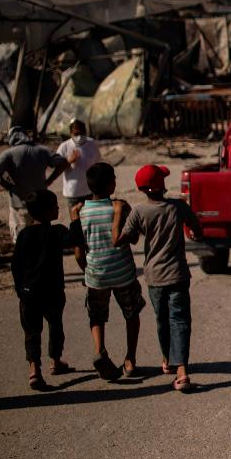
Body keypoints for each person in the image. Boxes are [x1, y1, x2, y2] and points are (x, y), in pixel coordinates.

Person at [117, 164, 202, 392]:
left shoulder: (139, 212)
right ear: (161, 185)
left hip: (154, 276)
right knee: (180, 320)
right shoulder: (178, 207)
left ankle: (167, 359)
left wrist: (118, 216)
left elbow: (125, 239)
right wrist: (197, 234)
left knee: (161, 319)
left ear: (142, 189)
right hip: (178, 274)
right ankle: (182, 369)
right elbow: (196, 228)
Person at [74, 162, 143, 382]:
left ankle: (100, 351)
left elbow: (78, 250)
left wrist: (88, 270)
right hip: (122, 272)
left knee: (96, 316)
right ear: (111, 184)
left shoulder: (81, 212)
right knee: (131, 314)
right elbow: (133, 238)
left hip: (96, 273)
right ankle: (130, 359)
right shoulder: (119, 207)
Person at [13, 190, 84, 390]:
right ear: (45, 211)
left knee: (31, 332)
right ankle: (55, 360)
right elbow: (75, 239)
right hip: (52, 291)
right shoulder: (56, 232)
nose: (58, 208)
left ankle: (34, 369)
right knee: (55, 325)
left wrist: (21, 289)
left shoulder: (24, 235)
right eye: (54, 206)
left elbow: (16, 265)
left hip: (29, 292)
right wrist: (75, 218)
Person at [0, 126, 69, 240]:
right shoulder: (42, 150)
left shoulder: (8, 154)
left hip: (19, 203)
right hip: (41, 204)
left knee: (22, 238)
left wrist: (7, 186)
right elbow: (63, 163)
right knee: (41, 236)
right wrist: (50, 180)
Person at [56, 119, 102, 209]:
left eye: (82, 133)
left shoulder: (91, 144)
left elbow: (97, 163)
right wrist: (69, 161)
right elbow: (57, 169)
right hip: (72, 192)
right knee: (75, 220)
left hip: (89, 190)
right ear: (70, 133)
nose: (79, 137)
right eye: (76, 134)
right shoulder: (64, 147)